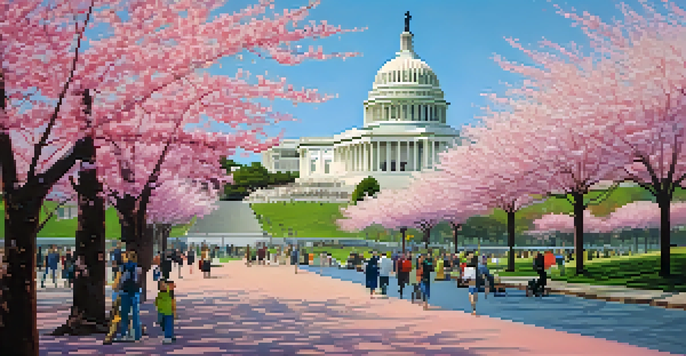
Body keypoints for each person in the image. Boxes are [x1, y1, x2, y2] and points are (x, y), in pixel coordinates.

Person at [117, 251, 142, 341]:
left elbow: (121, 279)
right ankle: (136, 334)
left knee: (124, 314)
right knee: (135, 314)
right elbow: (137, 280)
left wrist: (119, 288)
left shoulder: (124, 267)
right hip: (135, 291)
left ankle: (124, 333)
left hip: (125, 291)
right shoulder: (138, 268)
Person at [154, 280, 177, 344]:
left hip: (168, 312)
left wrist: (174, 310)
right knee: (163, 324)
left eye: (163, 285)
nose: (163, 286)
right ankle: (170, 335)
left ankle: (168, 336)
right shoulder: (160, 294)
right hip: (162, 312)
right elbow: (156, 302)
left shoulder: (169, 293)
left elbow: (172, 286)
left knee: (168, 324)